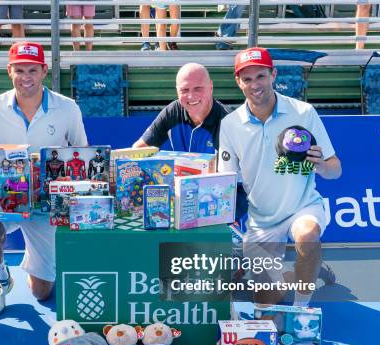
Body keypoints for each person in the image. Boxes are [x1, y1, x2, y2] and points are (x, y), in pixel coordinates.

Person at [0, 42, 88, 315]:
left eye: (32, 70)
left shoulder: (68, 108)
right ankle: (1, 278)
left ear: (44, 71)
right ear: (9, 71)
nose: (26, 77)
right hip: (6, 201)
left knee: (42, 292)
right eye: (19, 70)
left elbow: (82, 152)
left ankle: (34, 256)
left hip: (47, 206)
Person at [218, 47, 342, 306]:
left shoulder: (304, 112)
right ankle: (306, 271)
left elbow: (335, 169)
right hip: (261, 220)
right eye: (247, 79)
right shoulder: (230, 124)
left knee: (308, 238)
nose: (255, 85)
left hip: (302, 207)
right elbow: (225, 181)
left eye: (261, 76)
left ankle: (302, 311)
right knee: (267, 305)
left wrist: (319, 163)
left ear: (273, 75)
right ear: (238, 82)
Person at [133, 63, 229, 154]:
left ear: (211, 87)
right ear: (177, 91)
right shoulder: (172, 112)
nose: (191, 96)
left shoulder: (227, 121)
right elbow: (138, 150)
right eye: (184, 90)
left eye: (198, 89)